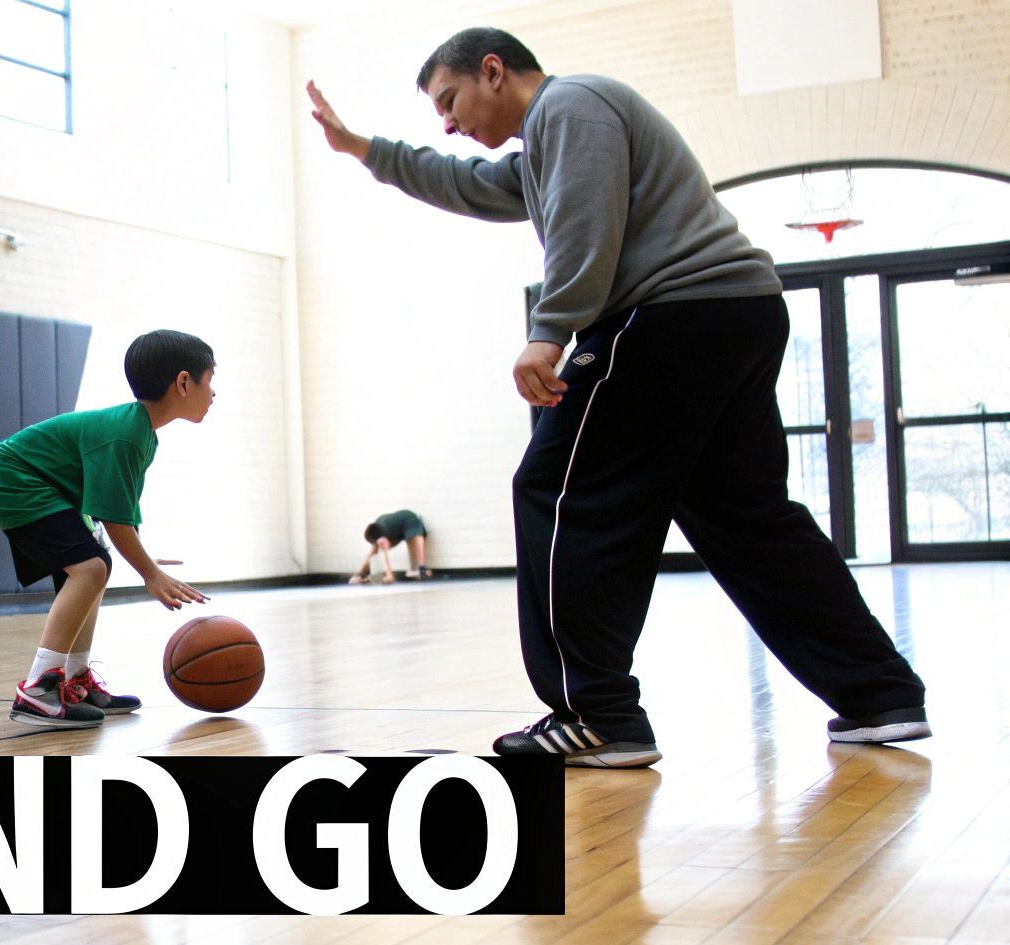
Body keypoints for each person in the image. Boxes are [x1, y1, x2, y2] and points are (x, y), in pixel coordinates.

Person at [306, 27, 929, 767]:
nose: (447, 122)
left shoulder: (572, 106)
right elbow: (468, 181)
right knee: (749, 521)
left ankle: (597, 714)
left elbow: (584, 224)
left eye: (450, 100)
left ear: (494, 71)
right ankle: (879, 694)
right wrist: (366, 151)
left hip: (670, 315)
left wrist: (550, 329)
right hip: (732, 311)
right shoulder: (547, 146)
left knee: (558, 492)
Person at [0, 328, 214, 729]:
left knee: (95, 564)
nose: (214, 392)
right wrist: (150, 573)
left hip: (34, 483)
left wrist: (144, 557)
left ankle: (75, 681)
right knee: (91, 568)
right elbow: (116, 521)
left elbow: (117, 513)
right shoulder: (127, 434)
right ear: (184, 382)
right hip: (6, 479)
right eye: (211, 379)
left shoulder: (139, 433)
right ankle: (39, 690)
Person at [350, 509, 431, 584]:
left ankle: (422, 568)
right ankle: (360, 573)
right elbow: (374, 552)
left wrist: (389, 575)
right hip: (393, 530)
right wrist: (359, 574)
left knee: (415, 540)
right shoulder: (376, 529)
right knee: (374, 550)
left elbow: (385, 554)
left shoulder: (409, 522)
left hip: (408, 520)